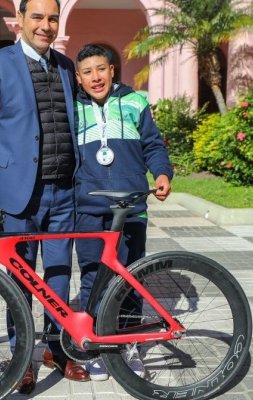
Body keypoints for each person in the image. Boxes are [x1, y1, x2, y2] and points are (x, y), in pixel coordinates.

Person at [0, 0, 89, 393]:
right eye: (37, 16)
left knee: (57, 277)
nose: (45, 25)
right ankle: (22, 357)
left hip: (63, 191)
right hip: (17, 195)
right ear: (19, 20)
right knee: (19, 283)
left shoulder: (67, 67)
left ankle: (56, 349)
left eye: (52, 18)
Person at [73, 44, 173, 381]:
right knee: (92, 277)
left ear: (112, 70)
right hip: (88, 207)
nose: (95, 77)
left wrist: (161, 173)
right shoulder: (72, 107)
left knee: (130, 277)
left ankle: (128, 346)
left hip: (131, 205)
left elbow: (153, 144)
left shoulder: (135, 102)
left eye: (101, 69)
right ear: (78, 77)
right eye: (87, 72)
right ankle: (100, 347)